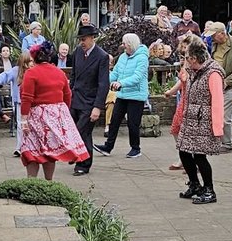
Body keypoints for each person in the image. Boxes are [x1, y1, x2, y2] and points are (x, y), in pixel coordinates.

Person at [18, 44, 89, 180]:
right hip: (55, 115)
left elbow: (27, 98)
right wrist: (62, 114)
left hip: (36, 116)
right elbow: (67, 95)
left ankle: (31, 182)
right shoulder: (59, 72)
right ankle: (49, 181)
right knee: (49, 152)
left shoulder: (31, 73)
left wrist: (23, 120)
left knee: (32, 150)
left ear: (34, 57)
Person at [174, 41, 225, 204]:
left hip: (204, 120)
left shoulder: (213, 73)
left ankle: (209, 190)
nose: (186, 60)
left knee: (200, 157)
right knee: (184, 151)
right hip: (190, 118)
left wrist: (217, 128)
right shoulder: (192, 70)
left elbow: (217, 100)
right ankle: (195, 184)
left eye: (187, 57)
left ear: (195, 58)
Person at [94, 32, 149, 159]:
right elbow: (115, 73)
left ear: (130, 44)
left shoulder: (142, 58)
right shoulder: (123, 57)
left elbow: (138, 77)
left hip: (136, 96)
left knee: (133, 123)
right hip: (123, 95)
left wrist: (121, 83)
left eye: (125, 43)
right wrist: (103, 80)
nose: (123, 46)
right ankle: (108, 147)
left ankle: (135, 148)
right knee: (114, 121)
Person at [68, 23, 109, 174]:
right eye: (80, 39)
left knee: (82, 132)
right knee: (75, 131)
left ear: (92, 38)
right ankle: (78, 155)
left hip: (90, 102)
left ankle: (83, 164)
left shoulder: (102, 56)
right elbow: (74, 75)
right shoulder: (78, 52)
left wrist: (97, 107)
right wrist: (71, 92)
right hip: (76, 99)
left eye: (84, 39)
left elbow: (104, 83)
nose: (81, 43)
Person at [209, 21, 232, 151]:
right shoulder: (215, 44)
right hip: (216, 84)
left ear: (222, 33)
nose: (212, 37)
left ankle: (226, 144)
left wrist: (227, 81)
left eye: (214, 35)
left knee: (224, 115)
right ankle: (216, 141)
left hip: (231, 85)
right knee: (215, 113)